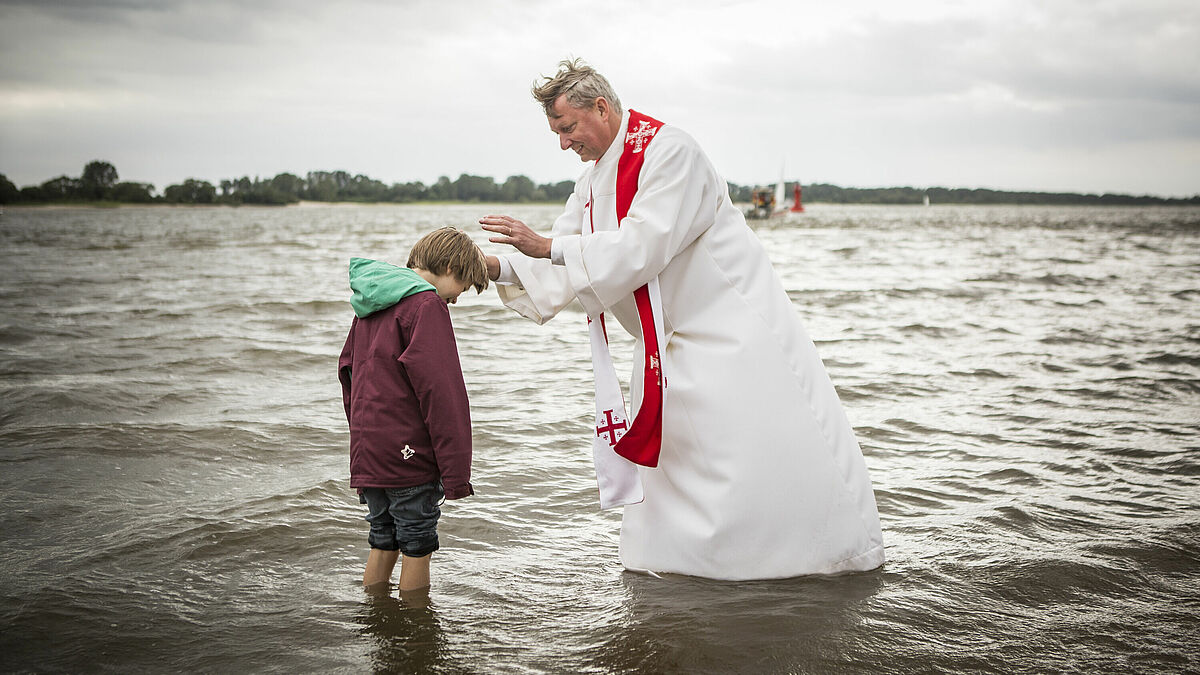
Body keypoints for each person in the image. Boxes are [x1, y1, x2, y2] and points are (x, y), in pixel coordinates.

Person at [479, 58, 885, 580]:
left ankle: (801, 566)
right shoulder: (589, 183)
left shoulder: (671, 152)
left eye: (567, 128)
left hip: (731, 340)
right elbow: (563, 262)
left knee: (751, 465)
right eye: (557, 133)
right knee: (673, 478)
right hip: (663, 350)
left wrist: (548, 245)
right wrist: (490, 266)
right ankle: (676, 578)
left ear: (601, 107)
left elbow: (640, 246)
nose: (563, 144)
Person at [338, 226, 488, 594]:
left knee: (382, 537)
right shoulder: (426, 305)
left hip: (370, 452)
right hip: (411, 454)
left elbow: (347, 373)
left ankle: (376, 618)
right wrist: (456, 475)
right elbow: (442, 393)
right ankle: (417, 633)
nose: (459, 298)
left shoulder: (371, 305)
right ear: (452, 266)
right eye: (465, 286)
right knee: (418, 543)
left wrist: (364, 438)